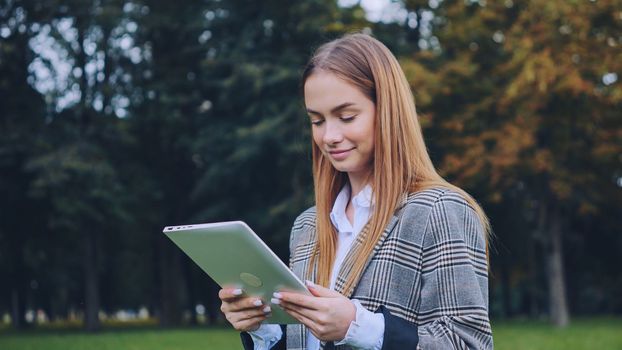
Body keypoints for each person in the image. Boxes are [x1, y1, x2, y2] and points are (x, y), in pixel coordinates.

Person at [219, 32, 493, 350]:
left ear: (387, 111)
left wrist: (358, 326)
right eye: (317, 121)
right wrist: (261, 326)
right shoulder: (307, 227)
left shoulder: (439, 211)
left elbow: (468, 343)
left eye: (346, 116)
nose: (329, 136)